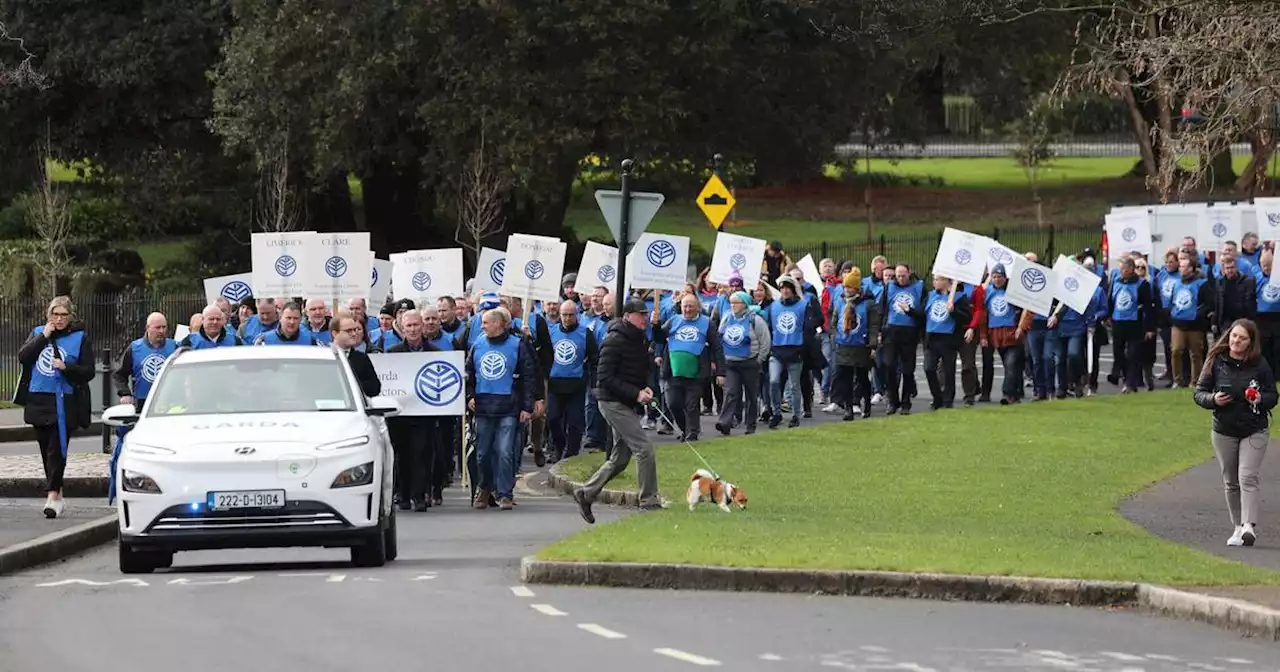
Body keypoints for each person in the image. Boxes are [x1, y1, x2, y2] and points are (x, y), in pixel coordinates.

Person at [574, 298, 663, 524]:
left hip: (625, 401)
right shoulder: (613, 340)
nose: (645, 319)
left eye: (645, 314)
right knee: (644, 449)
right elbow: (605, 377)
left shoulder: (639, 338)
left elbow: (644, 367)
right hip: (612, 402)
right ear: (628, 316)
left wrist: (645, 386)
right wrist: (635, 393)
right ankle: (649, 501)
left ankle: (587, 493)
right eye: (641, 315)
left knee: (620, 458)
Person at [1194, 318, 1278, 547]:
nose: (1236, 341)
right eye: (1233, 336)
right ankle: (1237, 527)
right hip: (1224, 429)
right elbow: (1199, 393)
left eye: (1242, 338)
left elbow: (1273, 395)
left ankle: (1249, 525)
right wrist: (1213, 399)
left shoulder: (1260, 364)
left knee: (1247, 476)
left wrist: (1260, 399)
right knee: (1231, 481)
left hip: (1254, 428)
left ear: (1251, 342)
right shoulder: (1216, 361)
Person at [14, 296, 97, 518]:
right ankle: (57, 493)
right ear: (49, 315)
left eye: (63, 315)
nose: (59, 319)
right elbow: (23, 357)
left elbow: (88, 371)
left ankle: (51, 494)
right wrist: (44, 336)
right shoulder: (39, 332)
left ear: (70, 316)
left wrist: (67, 366)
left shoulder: (80, 338)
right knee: (45, 448)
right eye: (55, 314)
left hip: (65, 400)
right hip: (38, 397)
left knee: (57, 448)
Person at [332, 311, 382, 397]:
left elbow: (375, 388)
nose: (354, 334)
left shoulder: (362, 358)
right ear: (335, 333)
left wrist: (351, 386)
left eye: (355, 329)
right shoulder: (323, 356)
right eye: (349, 331)